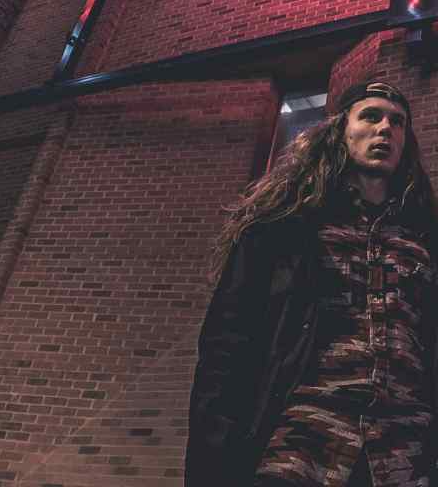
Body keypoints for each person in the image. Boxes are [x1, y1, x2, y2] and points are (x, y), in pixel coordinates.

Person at [186, 80, 438, 487]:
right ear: (341, 130)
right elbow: (225, 347)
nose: (385, 129)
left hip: (407, 454)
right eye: (370, 116)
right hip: (301, 445)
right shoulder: (282, 229)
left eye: (398, 122)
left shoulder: (426, 238)